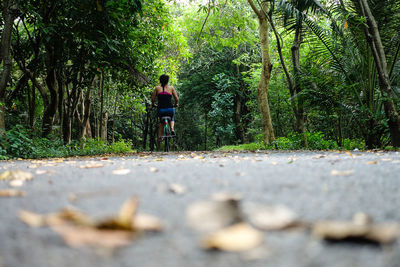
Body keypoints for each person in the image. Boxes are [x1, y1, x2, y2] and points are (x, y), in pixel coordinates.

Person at [151, 74, 179, 141]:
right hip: (170, 109)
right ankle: (172, 129)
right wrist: (175, 104)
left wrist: (153, 104)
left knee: (161, 122)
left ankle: (160, 137)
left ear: (160, 80)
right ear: (167, 81)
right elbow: (177, 99)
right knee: (172, 118)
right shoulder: (171, 88)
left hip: (161, 110)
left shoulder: (157, 88)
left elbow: (153, 99)